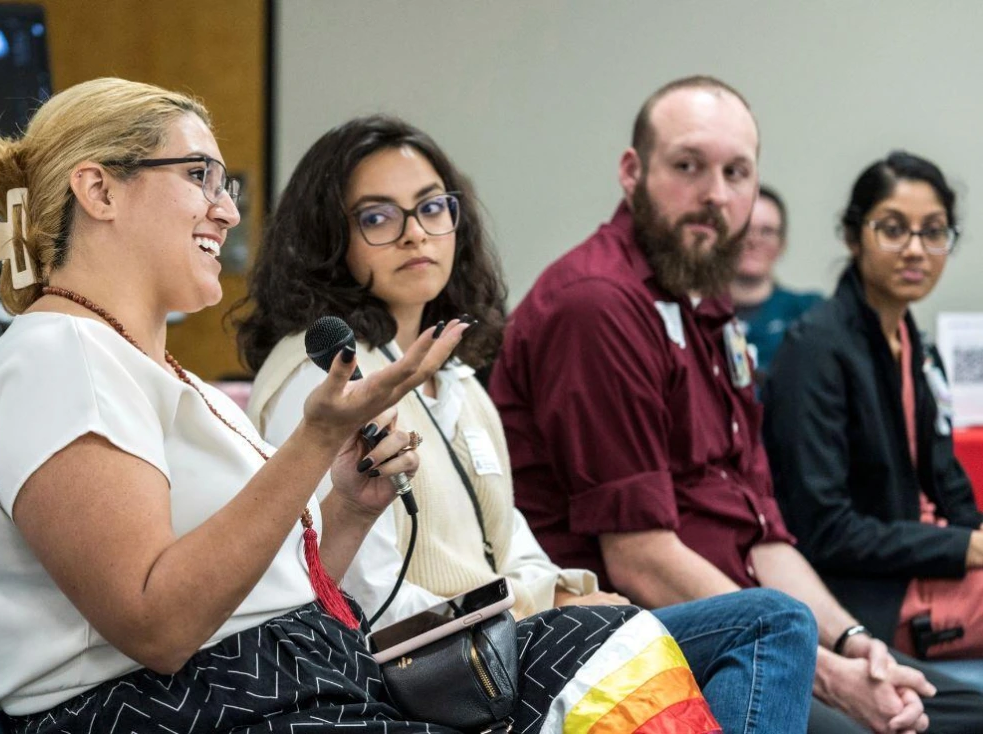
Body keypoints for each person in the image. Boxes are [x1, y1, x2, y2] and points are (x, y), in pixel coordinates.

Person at [0, 77, 710, 734]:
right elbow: (159, 626)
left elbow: (263, 596)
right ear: (99, 188)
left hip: (284, 691)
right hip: (185, 710)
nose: (227, 211)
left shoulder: (148, 370)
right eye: (199, 176)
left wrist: (345, 510)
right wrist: (313, 442)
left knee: (609, 643)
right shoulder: (55, 357)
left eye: (224, 185)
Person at [237, 114, 818, 732]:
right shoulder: (323, 375)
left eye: (432, 208)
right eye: (378, 218)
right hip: (427, 668)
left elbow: (510, 542)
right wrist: (535, 621)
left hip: (505, 642)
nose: (416, 235)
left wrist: (566, 595)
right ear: (332, 238)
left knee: (752, 635)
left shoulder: (455, 378)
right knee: (768, 623)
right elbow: (358, 593)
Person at [490, 75, 983, 733]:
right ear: (631, 172)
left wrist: (851, 642)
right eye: (688, 166)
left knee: (959, 710)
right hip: (631, 645)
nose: (714, 195)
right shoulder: (599, 307)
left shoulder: (707, 308)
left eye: (736, 172)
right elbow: (640, 559)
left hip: (752, 627)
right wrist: (824, 672)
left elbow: (762, 534)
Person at [764, 152, 983, 662]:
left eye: (933, 232)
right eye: (893, 229)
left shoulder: (913, 342)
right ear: (852, 235)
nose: (915, 250)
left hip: (930, 566)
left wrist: (973, 537)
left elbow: (947, 480)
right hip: (869, 597)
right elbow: (825, 530)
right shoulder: (814, 349)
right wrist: (963, 549)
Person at [730, 185, 822, 383]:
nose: (754, 240)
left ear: (782, 243)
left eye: (767, 231)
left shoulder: (811, 313)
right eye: (745, 228)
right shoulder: (697, 315)